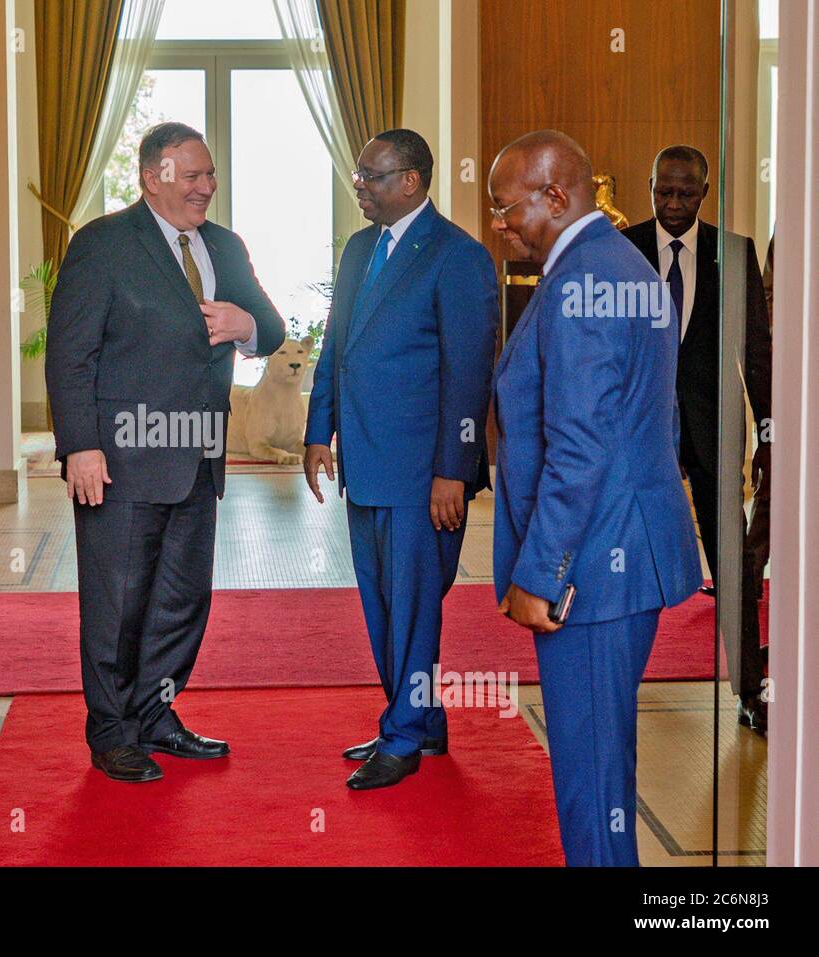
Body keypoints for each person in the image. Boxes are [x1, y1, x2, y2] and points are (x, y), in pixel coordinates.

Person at [45, 122, 284, 782]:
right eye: (193, 176)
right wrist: (81, 446)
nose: (206, 187)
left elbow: (272, 327)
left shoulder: (225, 247)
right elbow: (72, 356)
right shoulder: (103, 245)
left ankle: (157, 714)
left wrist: (247, 327)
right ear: (153, 177)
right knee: (117, 600)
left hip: (198, 457)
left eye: (210, 175)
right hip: (120, 458)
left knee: (181, 600)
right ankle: (112, 728)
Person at [488, 130, 701, 865]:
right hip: (625, 546)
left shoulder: (581, 281)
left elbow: (578, 446)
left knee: (594, 779)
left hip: (592, 569)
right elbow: (654, 415)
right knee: (601, 767)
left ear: (555, 195)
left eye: (506, 206)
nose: (498, 223)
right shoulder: (628, 265)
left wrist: (540, 573)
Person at [303, 130, 498, 790]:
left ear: (411, 181)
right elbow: (338, 348)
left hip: (423, 473)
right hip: (365, 462)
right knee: (384, 602)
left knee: (414, 604)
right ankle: (421, 715)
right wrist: (316, 430)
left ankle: (405, 734)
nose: (358, 185)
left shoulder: (457, 257)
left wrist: (454, 469)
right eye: (358, 175)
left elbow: (467, 375)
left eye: (371, 176)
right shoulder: (360, 249)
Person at [620, 147, 772, 733]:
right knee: (624, 556)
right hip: (636, 432)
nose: (674, 204)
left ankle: (750, 690)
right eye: (664, 192)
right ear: (649, 186)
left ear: (705, 194)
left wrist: (768, 434)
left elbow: (756, 355)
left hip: (712, 428)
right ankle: (618, 686)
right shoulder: (620, 249)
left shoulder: (734, 254)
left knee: (731, 559)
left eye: (687, 194)